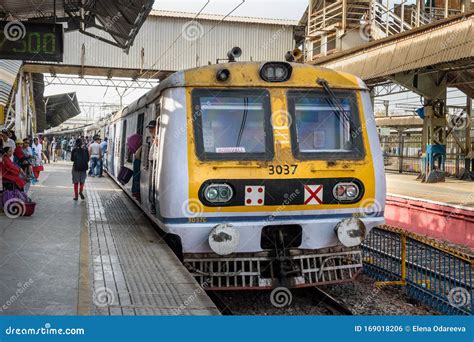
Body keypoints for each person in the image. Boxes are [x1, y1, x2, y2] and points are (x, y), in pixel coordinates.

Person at [147, 120, 159, 214]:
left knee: (154, 184)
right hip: (152, 162)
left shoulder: (159, 137)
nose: (150, 129)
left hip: (156, 163)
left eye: (152, 127)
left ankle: (153, 205)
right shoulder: (154, 137)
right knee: (151, 183)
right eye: (150, 128)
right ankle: (152, 204)